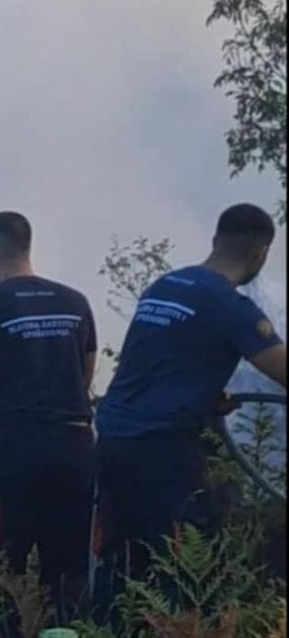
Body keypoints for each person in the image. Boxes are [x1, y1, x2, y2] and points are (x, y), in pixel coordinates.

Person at [92, 203, 286, 619]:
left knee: (122, 574)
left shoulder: (164, 286)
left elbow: (156, 364)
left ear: (216, 240)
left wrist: (203, 397)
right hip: (164, 458)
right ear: (260, 253)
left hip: (113, 448)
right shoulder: (230, 306)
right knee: (189, 578)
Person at [0, 211, 98, 627]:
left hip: (16, 453)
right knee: (68, 573)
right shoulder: (75, 302)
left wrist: (9, 393)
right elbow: (83, 378)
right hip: (76, 450)